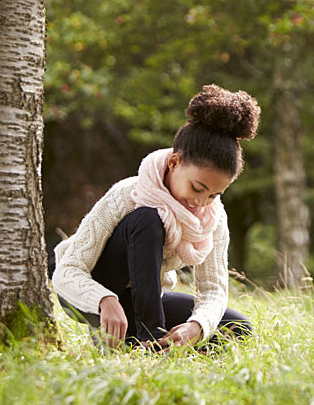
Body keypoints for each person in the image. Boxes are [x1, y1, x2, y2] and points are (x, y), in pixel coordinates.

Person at [52, 84, 259, 349]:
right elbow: (67, 272)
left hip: (142, 301)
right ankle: (146, 338)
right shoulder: (128, 194)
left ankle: (147, 344)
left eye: (213, 194)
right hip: (89, 291)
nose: (201, 202)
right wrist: (105, 300)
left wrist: (197, 327)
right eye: (197, 188)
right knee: (148, 219)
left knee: (238, 329)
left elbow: (213, 291)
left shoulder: (213, 217)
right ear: (174, 163)